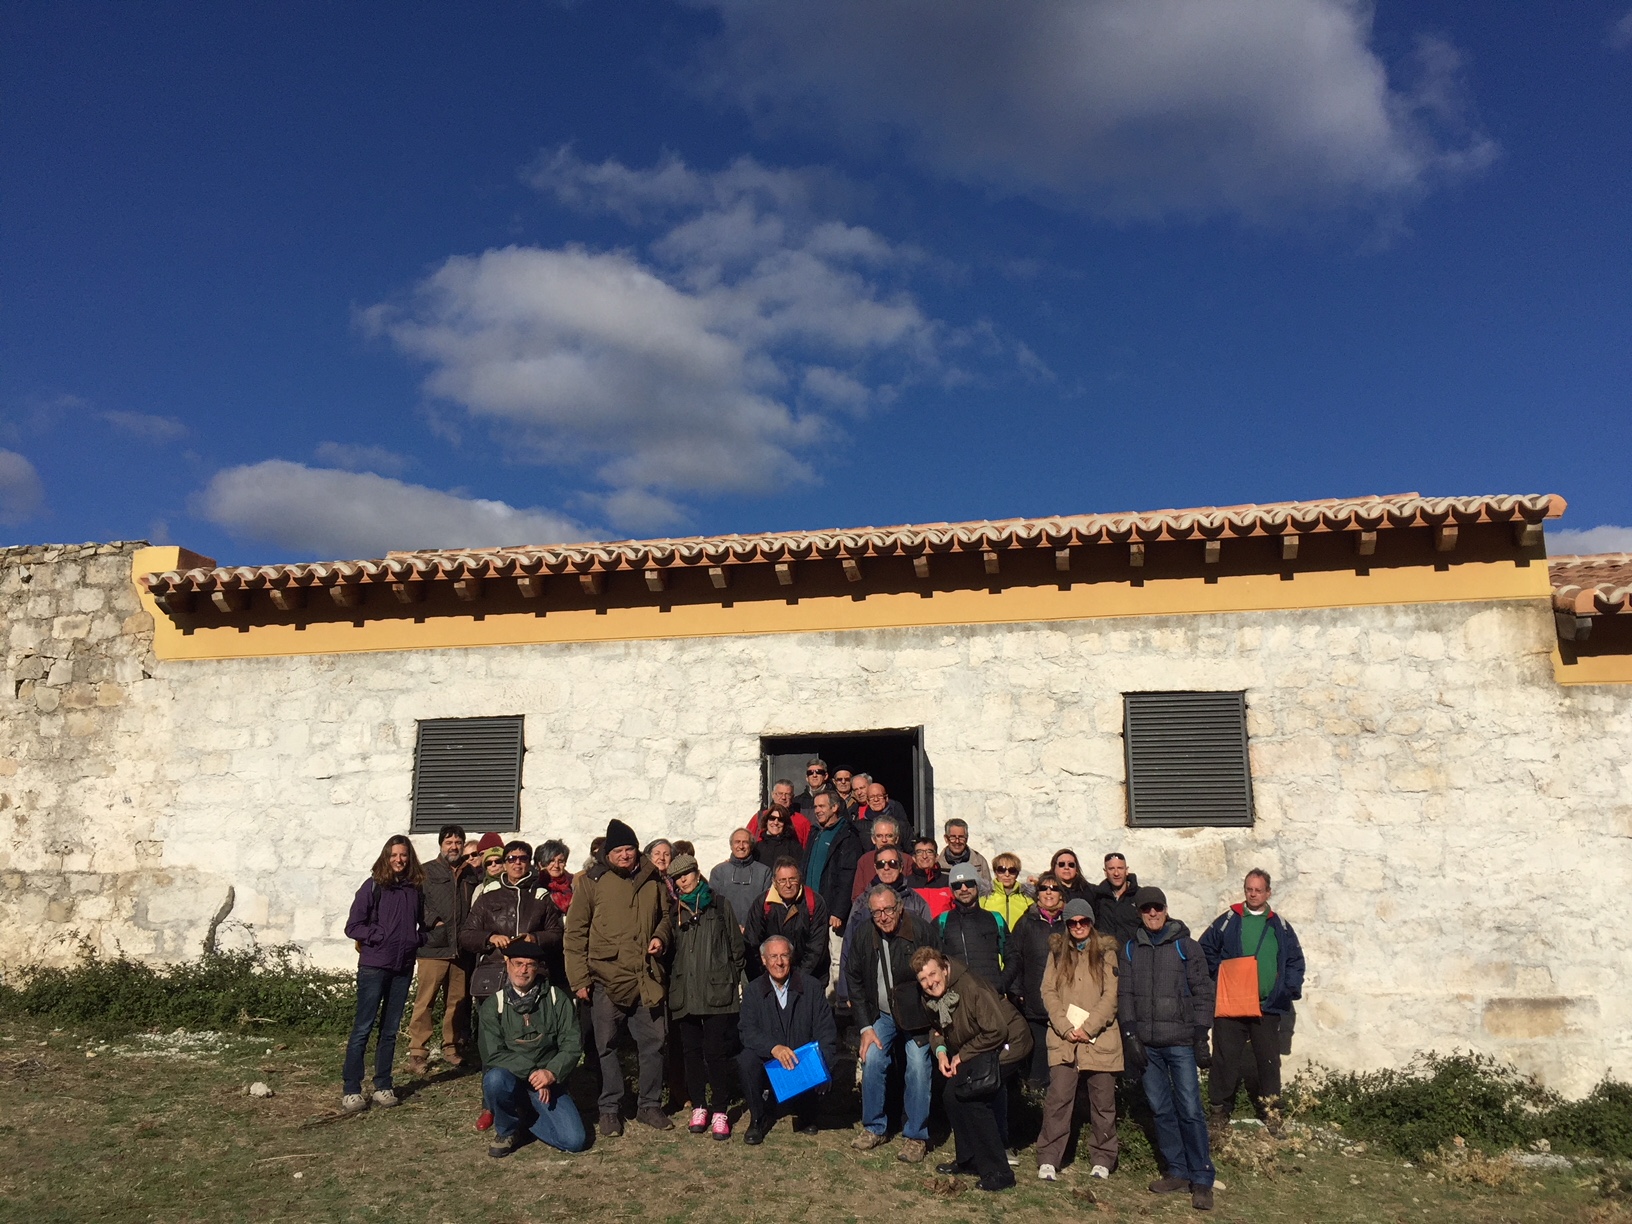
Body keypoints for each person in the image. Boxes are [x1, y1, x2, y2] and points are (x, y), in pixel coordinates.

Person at [563, 818, 675, 1137]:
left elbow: (665, 918)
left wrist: (661, 937)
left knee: (654, 1043)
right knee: (606, 1046)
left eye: (630, 849)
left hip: (646, 976)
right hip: (606, 977)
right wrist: (580, 979)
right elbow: (575, 934)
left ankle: (649, 1105)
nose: (625, 855)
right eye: (619, 850)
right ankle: (610, 1109)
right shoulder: (590, 882)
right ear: (607, 854)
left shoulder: (653, 880)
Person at [1119, 886, 1216, 1212]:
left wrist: (1201, 1034)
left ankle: (1202, 1178)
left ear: (1165, 908)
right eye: (1146, 909)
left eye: (1157, 907)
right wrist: (1130, 1034)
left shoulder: (1187, 946)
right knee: (1161, 1109)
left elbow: (1203, 991)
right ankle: (1177, 1171)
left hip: (1181, 1043)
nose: (1153, 913)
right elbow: (1125, 995)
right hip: (1148, 1046)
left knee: (1190, 1109)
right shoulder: (1132, 949)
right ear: (1140, 912)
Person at [913, 946, 1031, 1192]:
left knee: (974, 1095)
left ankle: (999, 1171)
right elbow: (937, 1030)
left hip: (1009, 1041)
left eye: (933, 975)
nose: (929, 983)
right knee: (951, 1094)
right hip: (978, 1045)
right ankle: (968, 1159)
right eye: (923, 979)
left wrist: (962, 1056)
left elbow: (997, 1030)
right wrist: (942, 1052)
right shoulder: (929, 998)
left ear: (944, 969)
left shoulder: (971, 987)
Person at [1199, 869, 1305, 1137]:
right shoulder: (1228, 920)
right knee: (1224, 1060)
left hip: (1266, 1007)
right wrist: (1222, 975)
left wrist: (1287, 989)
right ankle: (1219, 1113)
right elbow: (1205, 950)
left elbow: (1294, 960)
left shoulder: (1280, 926)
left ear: (1268, 892)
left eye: (1259, 889)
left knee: (1268, 1061)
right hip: (1231, 1006)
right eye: (1249, 889)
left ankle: (1271, 1113)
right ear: (1244, 890)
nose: (1253, 894)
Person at [845, 884, 937, 1163]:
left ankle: (916, 1136)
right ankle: (874, 1127)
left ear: (899, 907)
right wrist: (865, 1027)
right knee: (872, 1058)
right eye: (876, 912)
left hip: (917, 1017)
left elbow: (937, 973)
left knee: (919, 1066)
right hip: (881, 1015)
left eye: (887, 910)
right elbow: (855, 981)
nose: (883, 917)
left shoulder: (920, 930)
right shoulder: (863, 935)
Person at [1036, 900, 1123, 1182]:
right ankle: (1049, 1158)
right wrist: (1064, 1026)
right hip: (1065, 1037)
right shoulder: (1058, 952)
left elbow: (1111, 996)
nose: (1078, 927)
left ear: (1091, 922)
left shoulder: (1107, 952)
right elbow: (1047, 990)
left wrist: (1089, 1027)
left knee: (1103, 1101)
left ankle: (1103, 1157)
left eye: (1083, 922)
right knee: (1058, 1099)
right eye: (1073, 923)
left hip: (1100, 1036)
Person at [477, 940, 587, 1157]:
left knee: (574, 1141)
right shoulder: (493, 1005)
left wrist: (551, 1072)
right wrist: (533, 1073)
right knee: (495, 1080)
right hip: (513, 1078)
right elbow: (493, 1053)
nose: (523, 970)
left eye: (530, 965)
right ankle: (507, 1129)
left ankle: (525, 1120)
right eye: (518, 963)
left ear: (538, 968)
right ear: (507, 964)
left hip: (549, 1081)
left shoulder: (557, 999)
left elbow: (572, 1044)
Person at [341, 835, 426, 1113]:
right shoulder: (373, 886)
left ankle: (383, 1086)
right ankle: (352, 1089)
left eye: (403, 855)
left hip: (402, 966)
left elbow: (422, 924)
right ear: (385, 858)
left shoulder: (415, 889)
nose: (399, 860)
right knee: (362, 1029)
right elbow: (353, 926)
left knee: (389, 1031)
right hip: (374, 966)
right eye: (393, 855)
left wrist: (417, 939)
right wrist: (378, 935)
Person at [667, 853, 745, 1140]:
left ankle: (721, 1109)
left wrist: (730, 979)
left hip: (717, 991)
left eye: (686, 874)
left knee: (715, 1052)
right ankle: (699, 1105)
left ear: (697, 874)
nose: (683, 880)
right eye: (677, 878)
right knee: (691, 1053)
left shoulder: (719, 905)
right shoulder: (674, 911)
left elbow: (737, 949)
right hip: (685, 991)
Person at [738, 935, 840, 1144]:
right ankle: (758, 1118)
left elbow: (826, 1032)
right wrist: (773, 1048)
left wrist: (824, 1069)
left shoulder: (811, 987)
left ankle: (806, 1113)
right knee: (746, 1059)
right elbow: (747, 1031)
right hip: (770, 1061)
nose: (779, 962)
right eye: (773, 957)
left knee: (816, 1066)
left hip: (802, 1065)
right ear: (764, 960)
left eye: (784, 955)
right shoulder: (753, 991)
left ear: (791, 958)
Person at [408, 824, 475, 1074]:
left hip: (460, 949)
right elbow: (417, 902)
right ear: (441, 845)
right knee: (425, 1001)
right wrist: (432, 921)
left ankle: (451, 1048)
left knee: (456, 1002)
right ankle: (417, 1051)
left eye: (458, 842)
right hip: (433, 946)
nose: (454, 847)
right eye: (449, 842)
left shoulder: (470, 874)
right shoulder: (426, 871)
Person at [462, 839, 567, 993]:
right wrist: (490, 938)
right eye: (512, 858)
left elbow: (557, 935)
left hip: (531, 971)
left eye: (523, 858)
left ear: (529, 863)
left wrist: (534, 938)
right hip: (495, 969)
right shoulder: (488, 895)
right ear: (505, 864)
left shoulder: (541, 895)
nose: (517, 863)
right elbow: (466, 935)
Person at [837, 847, 930, 1005]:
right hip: (873, 990)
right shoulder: (862, 903)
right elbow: (849, 946)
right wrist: (845, 992)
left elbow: (929, 944)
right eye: (881, 864)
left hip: (911, 988)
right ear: (875, 868)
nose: (886, 868)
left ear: (901, 867)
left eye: (892, 863)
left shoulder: (916, 902)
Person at [1007, 873, 1068, 1091]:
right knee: (1038, 1050)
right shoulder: (1026, 922)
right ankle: (1035, 1098)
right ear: (1038, 893)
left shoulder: (1070, 922)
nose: (1049, 892)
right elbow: (1015, 955)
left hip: (1065, 1000)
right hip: (1034, 997)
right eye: (1044, 888)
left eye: (1054, 888)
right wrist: (1016, 989)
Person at [743, 859, 831, 982]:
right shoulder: (763, 903)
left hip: (809, 977)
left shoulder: (815, 903)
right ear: (774, 882)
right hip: (770, 976)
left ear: (800, 879)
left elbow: (816, 948)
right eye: (782, 880)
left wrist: (796, 980)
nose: (788, 884)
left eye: (792, 879)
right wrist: (767, 978)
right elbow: (752, 944)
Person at [937, 863, 1009, 993]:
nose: (964, 889)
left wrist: (1001, 983)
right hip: (958, 997)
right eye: (957, 885)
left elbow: (1012, 956)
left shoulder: (994, 919)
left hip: (992, 996)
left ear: (977, 885)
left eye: (969, 883)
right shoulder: (942, 921)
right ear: (952, 890)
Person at [802, 789, 864, 930]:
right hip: (810, 909)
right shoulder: (815, 833)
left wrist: (839, 912)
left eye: (822, 806)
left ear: (834, 807)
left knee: (835, 951)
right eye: (815, 807)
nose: (817, 810)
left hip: (832, 914)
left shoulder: (847, 835)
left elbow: (848, 876)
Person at [710, 828, 773, 932]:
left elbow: (766, 906)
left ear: (751, 846)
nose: (741, 846)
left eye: (745, 842)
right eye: (737, 842)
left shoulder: (764, 872)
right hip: (725, 931)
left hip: (754, 931)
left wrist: (749, 927)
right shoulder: (718, 872)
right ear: (731, 846)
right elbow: (713, 905)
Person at [849, 816, 903, 903]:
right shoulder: (864, 861)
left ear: (896, 839)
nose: (884, 840)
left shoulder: (907, 860)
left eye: (889, 836)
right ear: (873, 839)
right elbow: (857, 897)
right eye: (879, 836)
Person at [1092, 852, 1142, 944]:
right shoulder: (1098, 897)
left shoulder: (1140, 895)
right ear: (1105, 872)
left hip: (1133, 954)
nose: (1116, 873)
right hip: (1107, 955)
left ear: (1126, 870)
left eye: (1120, 868)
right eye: (1111, 869)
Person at [748, 779, 813, 849]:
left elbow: (807, 850)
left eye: (787, 794)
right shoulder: (759, 818)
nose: (783, 797)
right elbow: (746, 842)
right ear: (773, 795)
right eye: (780, 793)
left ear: (792, 797)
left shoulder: (802, 822)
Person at [938, 820, 993, 896]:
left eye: (961, 837)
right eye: (953, 837)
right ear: (946, 839)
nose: (957, 841)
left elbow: (988, 891)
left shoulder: (979, 861)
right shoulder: (938, 864)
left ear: (967, 838)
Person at [982, 853, 1034, 930]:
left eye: (1012, 870)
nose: (1007, 874)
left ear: (1017, 873)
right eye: (1001, 870)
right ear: (995, 872)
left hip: (1018, 940)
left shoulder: (1026, 897)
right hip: (993, 940)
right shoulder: (985, 895)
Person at [906, 837, 953, 918]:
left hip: (942, 929)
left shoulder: (948, 881)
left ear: (936, 857)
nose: (924, 856)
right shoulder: (906, 884)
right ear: (914, 858)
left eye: (929, 852)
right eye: (919, 852)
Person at [536, 840, 574, 915]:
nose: (556, 865)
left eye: (560, 861)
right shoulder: (537, 886)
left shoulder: (574, 884)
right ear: (543, 863)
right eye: (551, 861)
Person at [472, 833, 507, 901]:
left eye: (498, 861)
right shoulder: (479, 888)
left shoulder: (515, 883)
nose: (493, 865)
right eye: (488, 863)